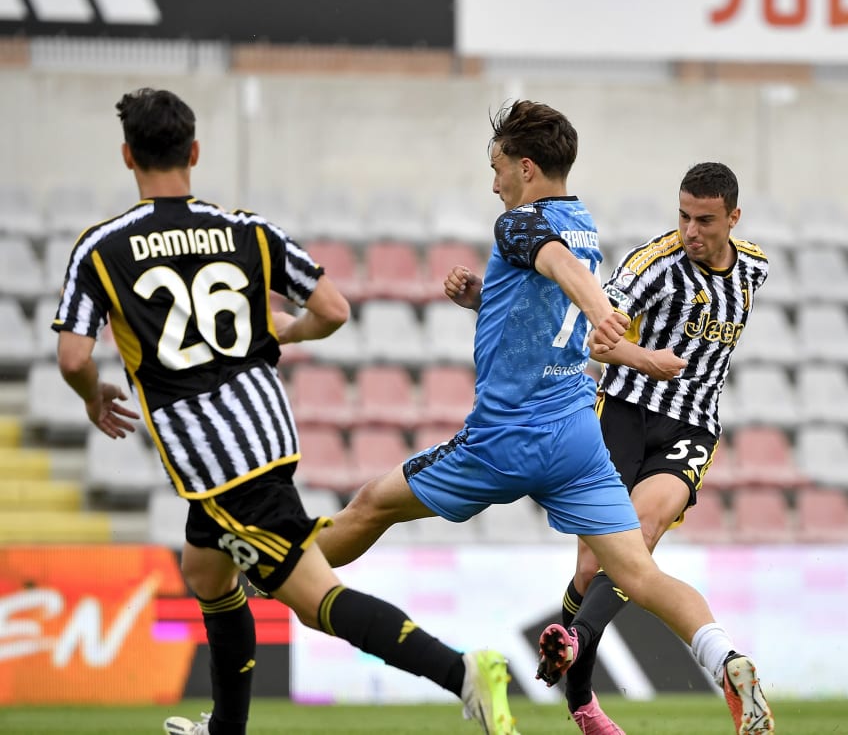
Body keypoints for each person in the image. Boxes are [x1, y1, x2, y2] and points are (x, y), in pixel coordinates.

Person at [53, 88, 518, 735]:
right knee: (207, 572)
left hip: (215, 458)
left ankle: (462, 671)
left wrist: (93, 395)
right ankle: (227, 730)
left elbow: (75, 358)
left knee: (313, 599)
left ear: (128, 156)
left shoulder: (101, 248)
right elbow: (332, 309)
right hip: (265, 429)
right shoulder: (247, 230)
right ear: (194, 151)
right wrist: (278, 334)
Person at [316, 100, 775, 735]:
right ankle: (724, 659)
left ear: (526, 167)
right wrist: (491, 297)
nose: (494, 181)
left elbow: (556, 265)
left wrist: (600, 313)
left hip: (506, 437)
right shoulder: (583, 221)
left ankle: (275, 574)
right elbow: (542, 295)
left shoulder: (519, 224)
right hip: (577, 436)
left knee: (371, 505)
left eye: (498, 166)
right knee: (636, 572)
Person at [540, 161, 768, 734]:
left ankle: (573, 644)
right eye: (685, 216)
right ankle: (582, 699)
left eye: (706, 221)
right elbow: (597, 337)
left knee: (638, 537)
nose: (692, 231)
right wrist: (644, 358)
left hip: (691, 428)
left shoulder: (756, 269)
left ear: (733, 219)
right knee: (593, 569)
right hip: (621, 415)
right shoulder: (654, 266)